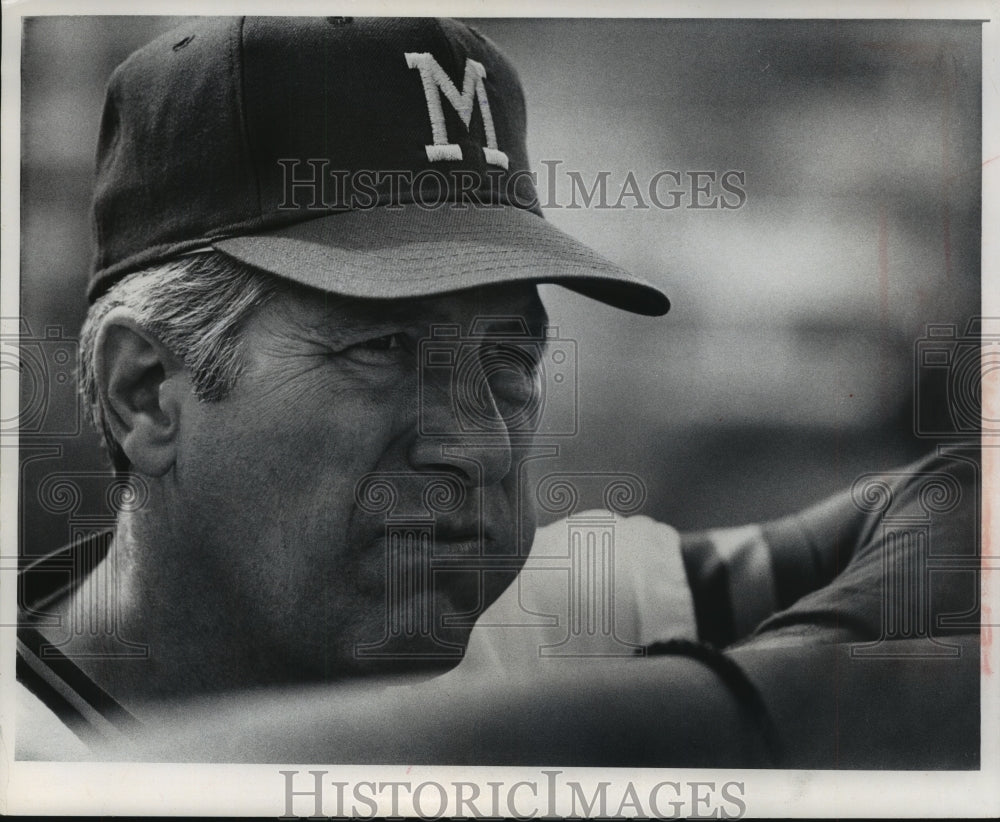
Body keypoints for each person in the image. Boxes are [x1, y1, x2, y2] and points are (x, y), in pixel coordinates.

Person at [15, 16, 980, 768]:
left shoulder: (534, 621)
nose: (477, 445)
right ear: (146, 394)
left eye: (510, 359)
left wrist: (756, 706)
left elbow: (956, 505)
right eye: (382, 347)